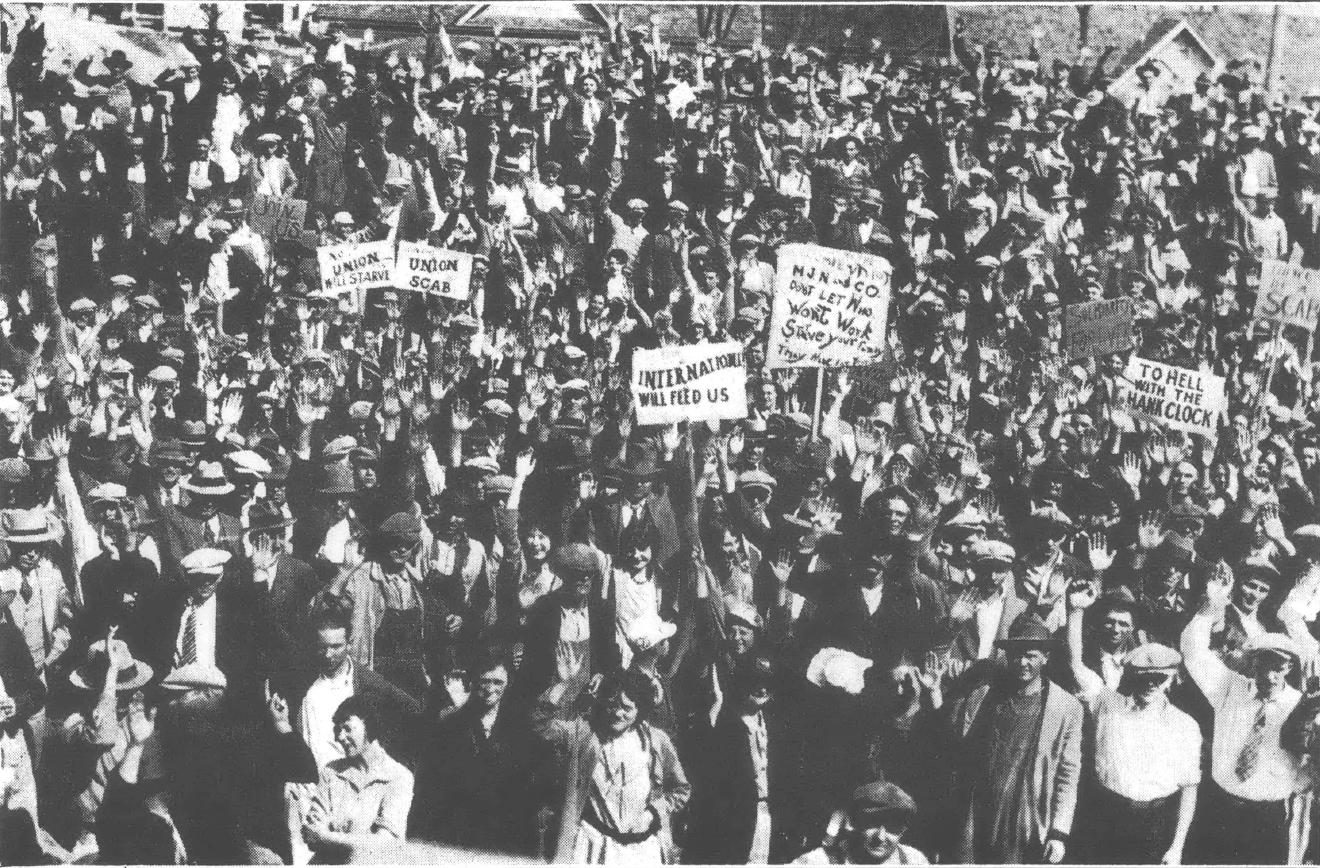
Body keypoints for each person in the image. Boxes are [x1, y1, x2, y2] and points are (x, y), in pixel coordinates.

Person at [1181, 565, 1314, 864]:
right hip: (1219, 807)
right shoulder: (1230, 688)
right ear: (1253, 662)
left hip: (1268, 818)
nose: (1273, 671)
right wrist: (1209, 605)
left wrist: (1298, 782)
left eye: (1281, 664)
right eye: (1265, 662)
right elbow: (1193, 653)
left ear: (1291, 668)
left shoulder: (1301, 706)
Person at [1066, 583, 1201, 864]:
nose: (1151, 684)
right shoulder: (1107, 704)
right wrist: (1077, 610)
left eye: (1159, 678)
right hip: (1104, 815)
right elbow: (1076, 664)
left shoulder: (1185, 725)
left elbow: (1189, 788)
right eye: (1143, 676)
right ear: (1132, 674)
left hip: (1155, 825)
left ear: (1172, 679)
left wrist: (1177, 847)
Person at [947, 613, 1083, 864]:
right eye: (1016, 654)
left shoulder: (1067, 707)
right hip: (977, 810)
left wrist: (1058, 832)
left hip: (1025, 816)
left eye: (1030, 655)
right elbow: (956, 744)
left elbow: (1068, 773)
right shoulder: (987, 693)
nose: (1022, 662)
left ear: (1045, 657)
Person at [531, 668, 690, 864]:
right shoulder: (585, 734)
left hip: (642, 852)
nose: (617, 713)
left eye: (626, 708)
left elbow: (681, 790)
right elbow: (540, 726)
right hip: (593, 847)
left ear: (640, 709)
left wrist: (653, 813)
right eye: (612, 705)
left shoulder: (656, 741)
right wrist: (563, 683)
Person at [301, 696, 414, 862]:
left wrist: (326, 837)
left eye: (347, 728)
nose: (339, 737)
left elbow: (384, 844)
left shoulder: (399, 777)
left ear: (370, 725)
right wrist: (321, 836)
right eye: (337, 730)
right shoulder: (331, 772)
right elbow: (312, 835)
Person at [794, 781, 929, 865]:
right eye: (872, 824)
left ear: (903, 830)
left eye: (892, 828)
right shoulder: (818, 862)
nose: (880, 837)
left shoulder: (914, 860)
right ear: (855, 823)